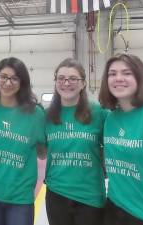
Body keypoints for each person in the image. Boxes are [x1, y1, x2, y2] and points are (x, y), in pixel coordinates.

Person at [0, 57, 46, 225]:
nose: (8, 82)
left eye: (14, 78)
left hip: (19, 197)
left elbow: (43, 151)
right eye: (3, 76)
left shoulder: (35, 114)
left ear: (22, 82)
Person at [99, 53, 143, 225]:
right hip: (113, 209)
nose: (118, 78)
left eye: (127, 73)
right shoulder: (111, 119)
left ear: (140, 77)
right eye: (112, 74)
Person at [44, 58, 106, 225]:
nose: (66, 83)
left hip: (89, 196)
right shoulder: (46, 115)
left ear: (83, 83)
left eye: (73, 78)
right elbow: (39, 149)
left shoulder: (98, 113)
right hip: (57, 194)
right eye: (61, 78)